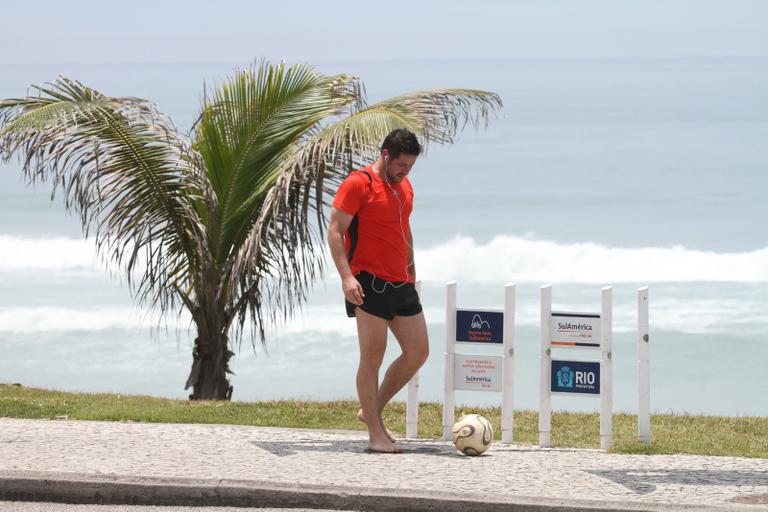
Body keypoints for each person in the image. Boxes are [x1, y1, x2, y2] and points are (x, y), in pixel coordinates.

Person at [327, 128, 429, 453]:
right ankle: (375, 433)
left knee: (418, 351)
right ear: (386, 155)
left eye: (411, 166)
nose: (406, 171)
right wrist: (346, 278)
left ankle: (370, 409)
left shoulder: (405, 187)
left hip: (401, 281)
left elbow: (403, 226)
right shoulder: (359, 184)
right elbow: (334, 232)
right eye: (402, 165)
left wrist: (411, 263)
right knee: (372, 357)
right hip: (368, 282)